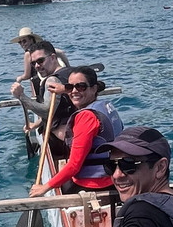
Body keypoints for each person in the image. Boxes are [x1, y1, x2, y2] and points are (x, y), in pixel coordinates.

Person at [29, 66, 122, 198]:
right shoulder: (107, 106)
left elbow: (74, 166)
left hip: (93, 183)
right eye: (69, 87)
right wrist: (65, 89)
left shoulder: (86, 117)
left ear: (94, 89)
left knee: (61, 183)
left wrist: (44, 187)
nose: (74, 91)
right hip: (114, 175)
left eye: (81, 87)